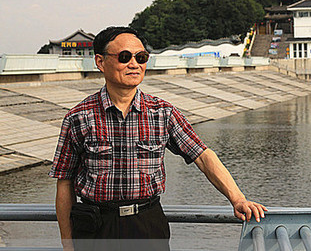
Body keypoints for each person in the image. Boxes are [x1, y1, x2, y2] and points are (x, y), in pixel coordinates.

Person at [49, 26, 266, 250]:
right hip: (95, 227)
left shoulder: (163, 113)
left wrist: (238, 199)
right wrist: (68, 244)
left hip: (147, 224)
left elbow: (202, 156)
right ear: (100, 62)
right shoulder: (78, 117)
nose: (134, 64)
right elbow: (64, 182)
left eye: (141, 57)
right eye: (124, 57)